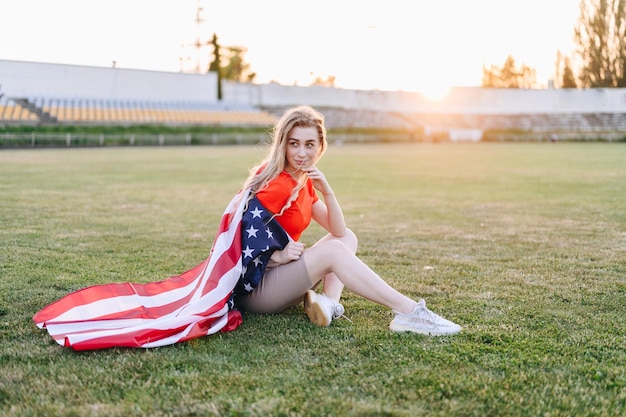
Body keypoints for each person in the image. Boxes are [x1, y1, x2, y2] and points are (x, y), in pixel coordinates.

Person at [235, 105, 461, 336]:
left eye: (309, 144)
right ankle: (410, 312)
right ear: (282, 144)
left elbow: (338, 229)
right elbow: (240, 238)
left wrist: (328, 192)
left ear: (320, 146)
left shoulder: (302, 181)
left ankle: (328, 303)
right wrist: (277, 256)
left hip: (280, 280)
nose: (301, 153)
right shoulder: (277, 183)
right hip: (257, 289)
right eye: (294, 144)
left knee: (345, 238)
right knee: (333, 250)